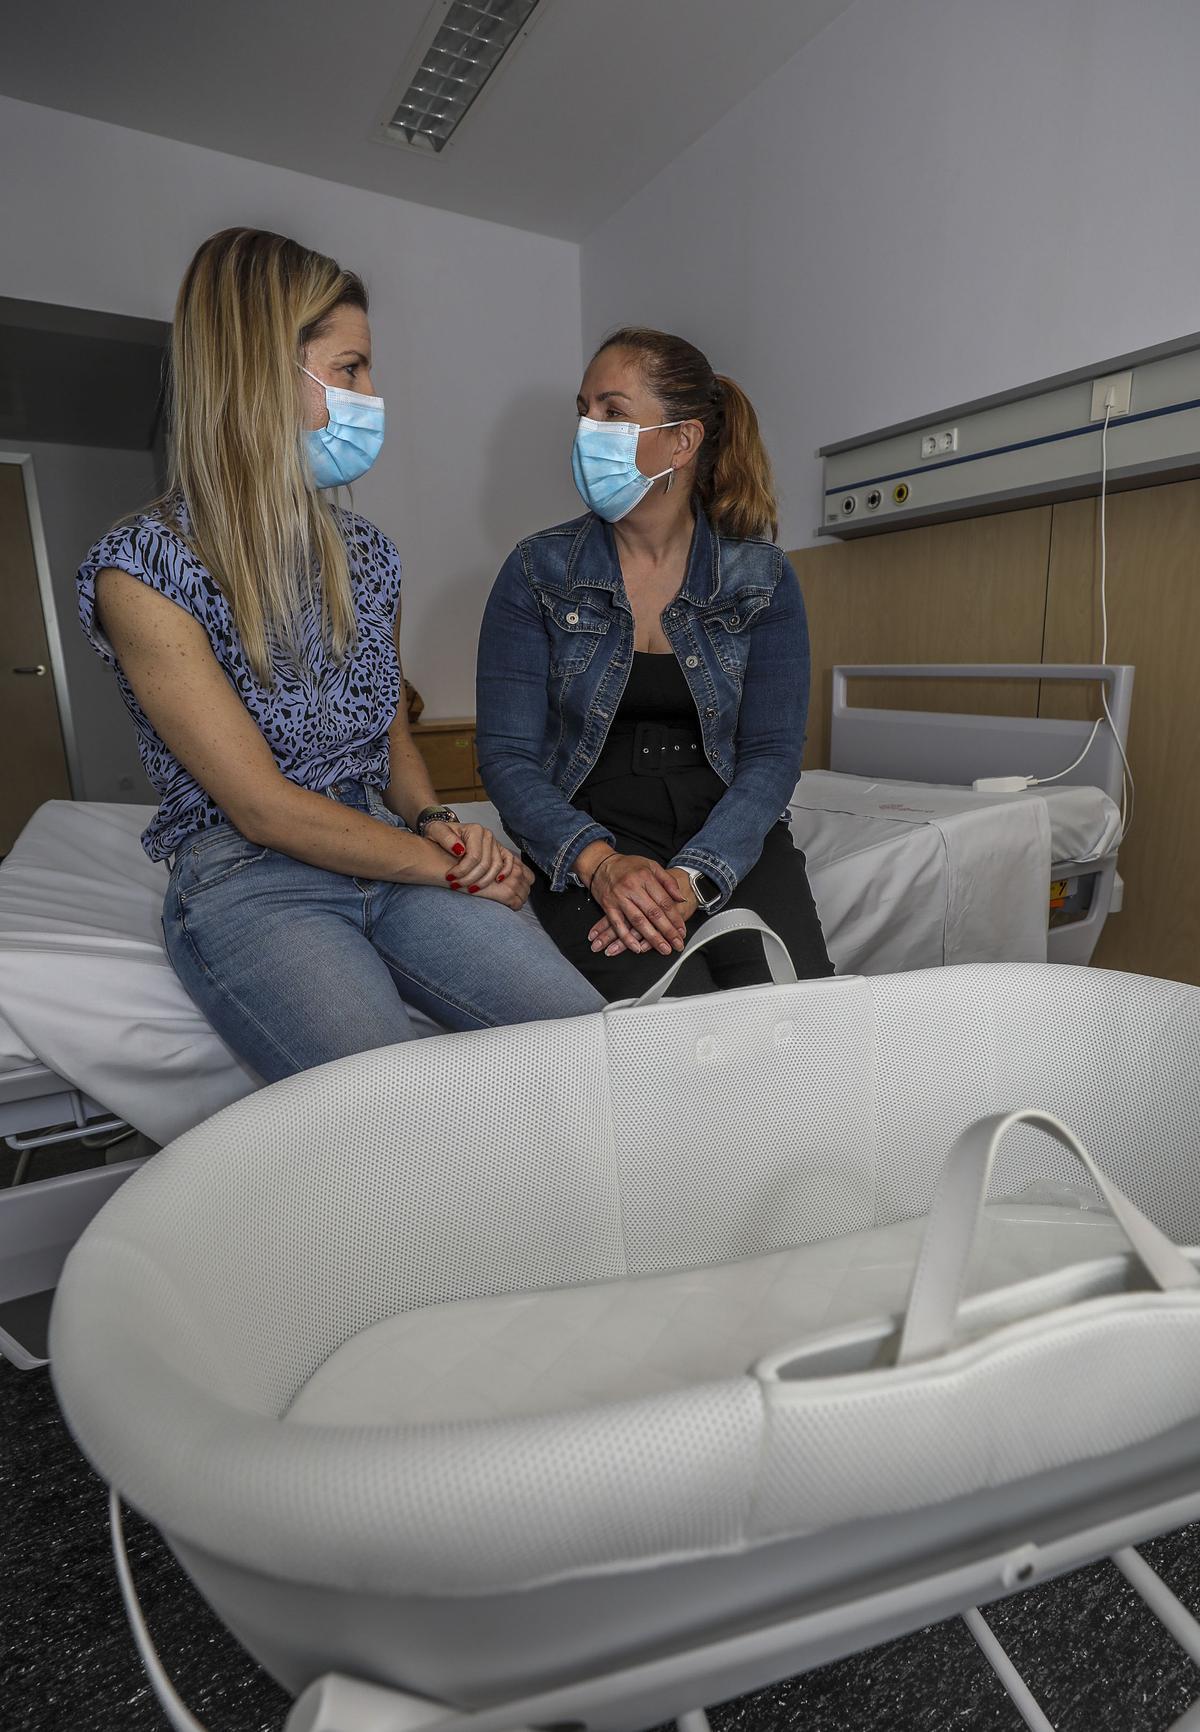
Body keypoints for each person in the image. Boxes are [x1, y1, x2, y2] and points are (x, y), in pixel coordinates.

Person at [76, 227, 601, 1083]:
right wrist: (450, 868)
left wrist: (442, 826)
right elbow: (264, 811)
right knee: (384, 1110)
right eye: (351, 369)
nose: (371, 393)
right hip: (252, 878)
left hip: (387, 849)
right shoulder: (141, 570)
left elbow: (390, 738)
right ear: (262, 373)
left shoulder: (369, 555)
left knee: (589, 1042)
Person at [476, 326, 833, 1000]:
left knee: (797, 1013)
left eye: (612, 411)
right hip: (587, 831)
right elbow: (506, 757)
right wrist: (601, 865)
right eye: (583, 410)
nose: (587, 429)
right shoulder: (535, 571)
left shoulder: (763, 580)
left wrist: (696, 874)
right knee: (673, 1021)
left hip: (727, 824)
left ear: (683, 440)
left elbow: (772, 754)